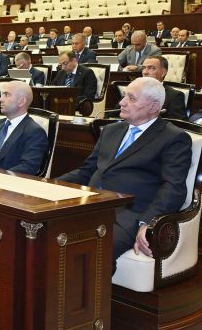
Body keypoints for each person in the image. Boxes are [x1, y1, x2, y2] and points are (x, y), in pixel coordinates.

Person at [58, 77, 192, 270]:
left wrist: (148, 222)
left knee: (91, 250)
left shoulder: (174, 138)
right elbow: (87, 171)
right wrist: (49, 185)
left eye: (131, 98)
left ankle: (89, 291)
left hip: (127, 214)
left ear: (153, 107)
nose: (121, 102)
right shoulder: (111, 130)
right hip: (88, 204)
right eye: (124, 96)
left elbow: (173, 187)